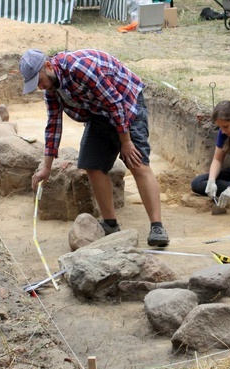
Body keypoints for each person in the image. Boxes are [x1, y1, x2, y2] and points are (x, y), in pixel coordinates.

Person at [19, 48, 169, 247]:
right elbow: (53, 124)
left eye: (39, 81)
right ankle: (110, 224)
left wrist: (125, 142)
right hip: (99, 112)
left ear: (48, 66)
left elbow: (115, 103)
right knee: (92, 164)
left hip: (126, 103)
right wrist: (46, 167)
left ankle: (157, 226)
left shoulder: (79, 68)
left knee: (137, 162)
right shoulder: (52, 89)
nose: (40, 87)